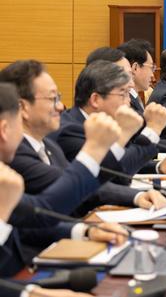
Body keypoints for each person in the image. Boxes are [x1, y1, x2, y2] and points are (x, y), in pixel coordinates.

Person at [0, 82, 127, 280]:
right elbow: (45, 207)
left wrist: (86, 231)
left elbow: (26, 223)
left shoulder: (49, 145)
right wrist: (94, 149)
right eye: (53, 98)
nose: (60, 106)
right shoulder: (18, 160)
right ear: (4, 129)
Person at [49, 61, 166, 208]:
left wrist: (158, 167)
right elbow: (117, 176)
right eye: (123, 94)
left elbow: (120, 162)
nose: (128, 102)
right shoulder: (70, 131)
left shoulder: (104, 124)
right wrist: (152, 130)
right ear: (95, 99)